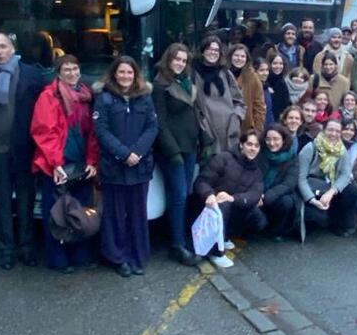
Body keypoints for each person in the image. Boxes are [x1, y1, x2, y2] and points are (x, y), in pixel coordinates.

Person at [0, 32, 45, 270]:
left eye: (3, 46)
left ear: (12, 48)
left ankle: (26, 247)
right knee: (1, 202)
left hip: (25, 150)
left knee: (26, 201)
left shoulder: (32, 74)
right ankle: (6, 249)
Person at [30, 54, 99, 273]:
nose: (72, 73)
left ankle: (80, 255)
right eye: (66, 69)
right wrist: (55, 164)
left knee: (80, 212)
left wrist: (91, 160)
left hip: (80, 163)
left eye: (75, 69)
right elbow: (43, 131)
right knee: (57, 214)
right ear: (58, 72)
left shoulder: (85, 95)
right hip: (56, 165)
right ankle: (58, 259)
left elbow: (92, 133)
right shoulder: (48, 96)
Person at [95, 57, 158, 277]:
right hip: (114, 167)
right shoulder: (103, 98)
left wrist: (137, 153)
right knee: (114, 215)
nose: (125, 76)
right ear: (114, 74)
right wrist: (124, 154)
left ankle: (138, 257)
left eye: (129, 73)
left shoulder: (145, 98)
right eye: (121, 72)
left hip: (139, 167)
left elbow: (152, 127)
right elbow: (101, 131)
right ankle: (117, 257)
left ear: (136, 75)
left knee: (138, 214)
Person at [149, 43, 202, 267]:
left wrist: (202, 138)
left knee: (183, 193)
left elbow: (193, 113)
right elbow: (159, 122)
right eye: (176, 59)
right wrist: (172, 152)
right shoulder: (160, 85)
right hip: (172, 150)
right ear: (168, 59)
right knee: (179, 194)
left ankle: (177, 235)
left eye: (183, 60)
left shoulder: (187, 81)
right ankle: (177, 245)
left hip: (190, 145)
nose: (180, 63)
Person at [193, 129, 266, 268]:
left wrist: (233, 198)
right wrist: (209, 194)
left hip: (233, 205)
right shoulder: (224, 158)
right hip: (211, 205)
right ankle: (216, 252)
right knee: (224, 205)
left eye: (256, 146)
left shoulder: (257, 170)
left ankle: (226, 235)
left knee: (259, 220)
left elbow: (255, 194)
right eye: (249, 144)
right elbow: (202, 181)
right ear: (241, 145)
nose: (253, 149)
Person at [299, 118, 357, 237]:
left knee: (352, 191)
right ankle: (319, 216)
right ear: (323, 130)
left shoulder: (341, 150)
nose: (333, 134)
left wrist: (331, 192)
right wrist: (312, 200)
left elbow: (345, 175)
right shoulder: (310, 148)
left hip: (330, 188)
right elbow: (301, 179)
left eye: (337, 131)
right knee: (319, 219)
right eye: (330, 130)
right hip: (312, 190)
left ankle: (337, 218)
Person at [194, 36, 245, 158]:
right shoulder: (193, 73)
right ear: (202, 51)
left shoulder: (226, 73)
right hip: (208, 131)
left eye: (216, 50)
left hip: (229, 131)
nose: (213, 52)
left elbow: (239, 101)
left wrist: (236, 117)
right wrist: (202, 124)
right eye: (209, 49)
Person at [257, 124, 299, 241]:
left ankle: (276, 231)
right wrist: (257, 194)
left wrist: (266, 197)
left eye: (276, 139)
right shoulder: (259, 153)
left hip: (276, 194)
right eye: (268, 139)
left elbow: (289, 183)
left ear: (283, 139)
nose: (271, 143)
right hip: (258, 192)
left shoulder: (292, 157)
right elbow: (253, 176)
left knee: (286, 202)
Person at [228, 43, 266, 135]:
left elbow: (259, 106)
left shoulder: (253, 77)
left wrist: (257, 129)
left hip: (246, 126)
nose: (239, 59)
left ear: (246, 59)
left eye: (242, 56)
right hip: (225, 123)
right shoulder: (223, 74)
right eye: (236, 55)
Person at [265, 53, 291, 122]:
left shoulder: (282, 83)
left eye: (281, 63)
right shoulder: (264, 82)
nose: (278, 66)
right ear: (269, 64)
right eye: (275, 63)